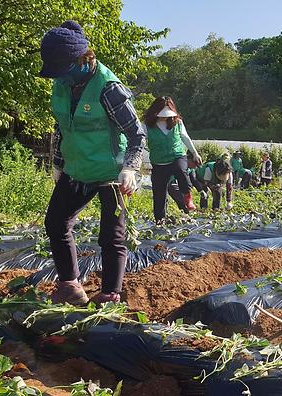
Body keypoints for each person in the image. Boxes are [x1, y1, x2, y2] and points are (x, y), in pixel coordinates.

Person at [39, 21, 144, 305]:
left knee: (111, 236)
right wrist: (58, 163)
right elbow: (63, 127)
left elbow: (136, 133)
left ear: (82, 60)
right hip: (76, 169)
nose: (60, 78)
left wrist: (130, 168)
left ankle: (111, 293)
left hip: (111, 173)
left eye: (63, 71)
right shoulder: (62, 85)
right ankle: (70, 284)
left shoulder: (108, 88)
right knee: (56, 222)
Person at [143, 96, 202, 225]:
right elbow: (140, 141)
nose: (165, 117)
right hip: (158, 162)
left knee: (181, 171)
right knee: (159, 194)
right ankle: (160, 220)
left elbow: (185, 138)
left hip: (177, 155)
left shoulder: (177, 123)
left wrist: (195, 153)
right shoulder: (147, 126)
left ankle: (187, 198)